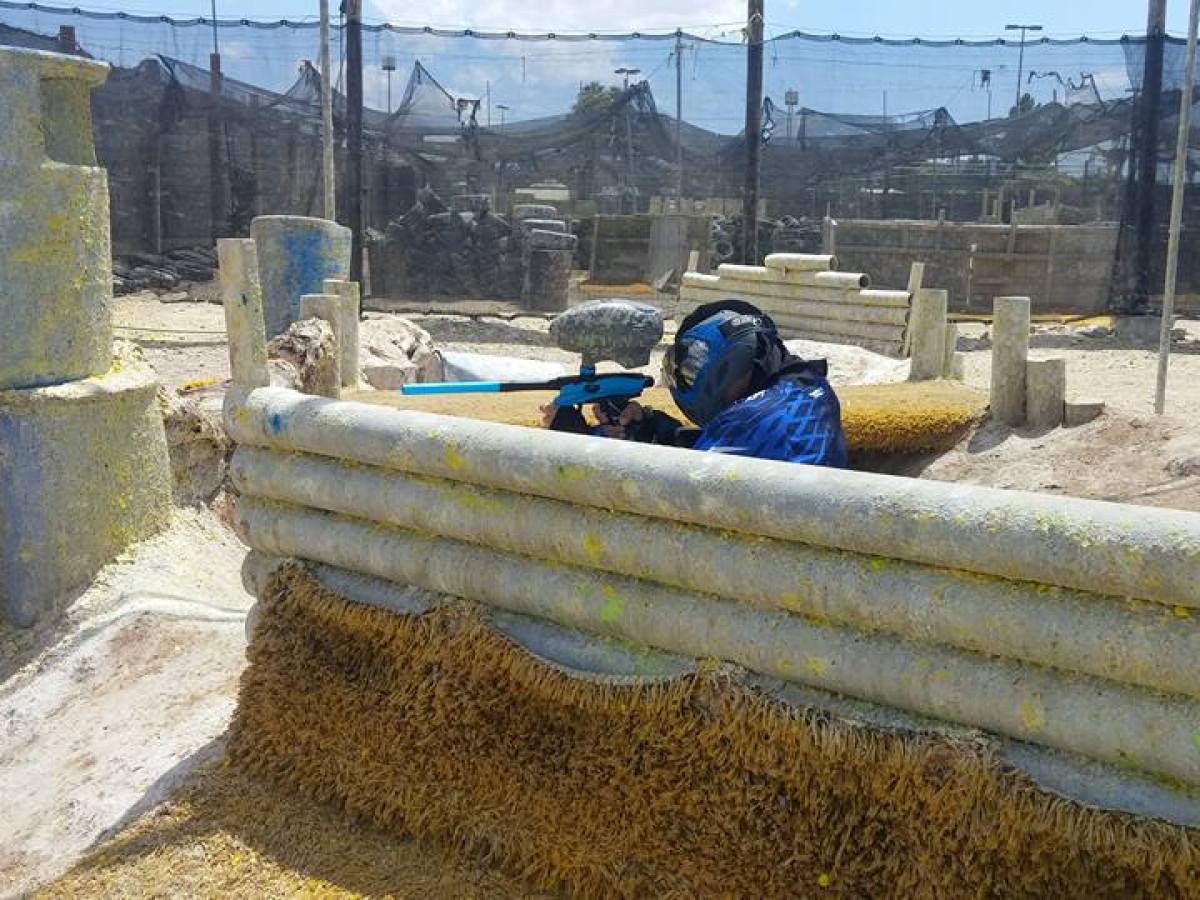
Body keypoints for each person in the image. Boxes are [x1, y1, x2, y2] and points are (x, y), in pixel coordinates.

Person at [543, 298, 847, 467]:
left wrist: (578, 443)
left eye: (694, 364)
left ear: (737, 353)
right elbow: (735, 450)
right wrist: (655, 429)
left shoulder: (757, 415)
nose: (687, 377)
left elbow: (679, 496)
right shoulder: (805, 390)